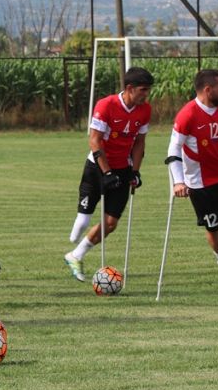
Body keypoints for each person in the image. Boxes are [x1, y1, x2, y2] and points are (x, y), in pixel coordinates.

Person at [64, 67, 152, 281]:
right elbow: (94, 140)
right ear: (129, 88)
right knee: (82, 223)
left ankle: (75, 255)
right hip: (96, 167)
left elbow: (140, 143)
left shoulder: (145, 110)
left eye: (148, 91)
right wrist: (107, 172)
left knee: (111, 223)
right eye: (143, 90)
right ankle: (73, 243)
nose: (146, 95)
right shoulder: (106, 105)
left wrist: (135, 172)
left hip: (123, 169)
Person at [166, 68, 218, 291]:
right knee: (212, 228)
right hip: (199, 183)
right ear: (207, 89)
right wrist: (178, 181)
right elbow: (172, 151)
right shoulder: (188, 114)